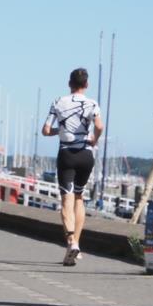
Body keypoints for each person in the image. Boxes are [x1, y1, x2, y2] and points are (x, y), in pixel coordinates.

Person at [41, 68, 104, 266]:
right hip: (86, 155)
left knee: (66, 199)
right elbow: (100, 126)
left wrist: (61, 131)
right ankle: (77, 243)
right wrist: (94, 139)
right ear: (86, 85)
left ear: (70, 83)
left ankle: (71, 241)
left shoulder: (58, 102)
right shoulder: (93, 103)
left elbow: (45, 130)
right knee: (79, 197)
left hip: (67, 154)